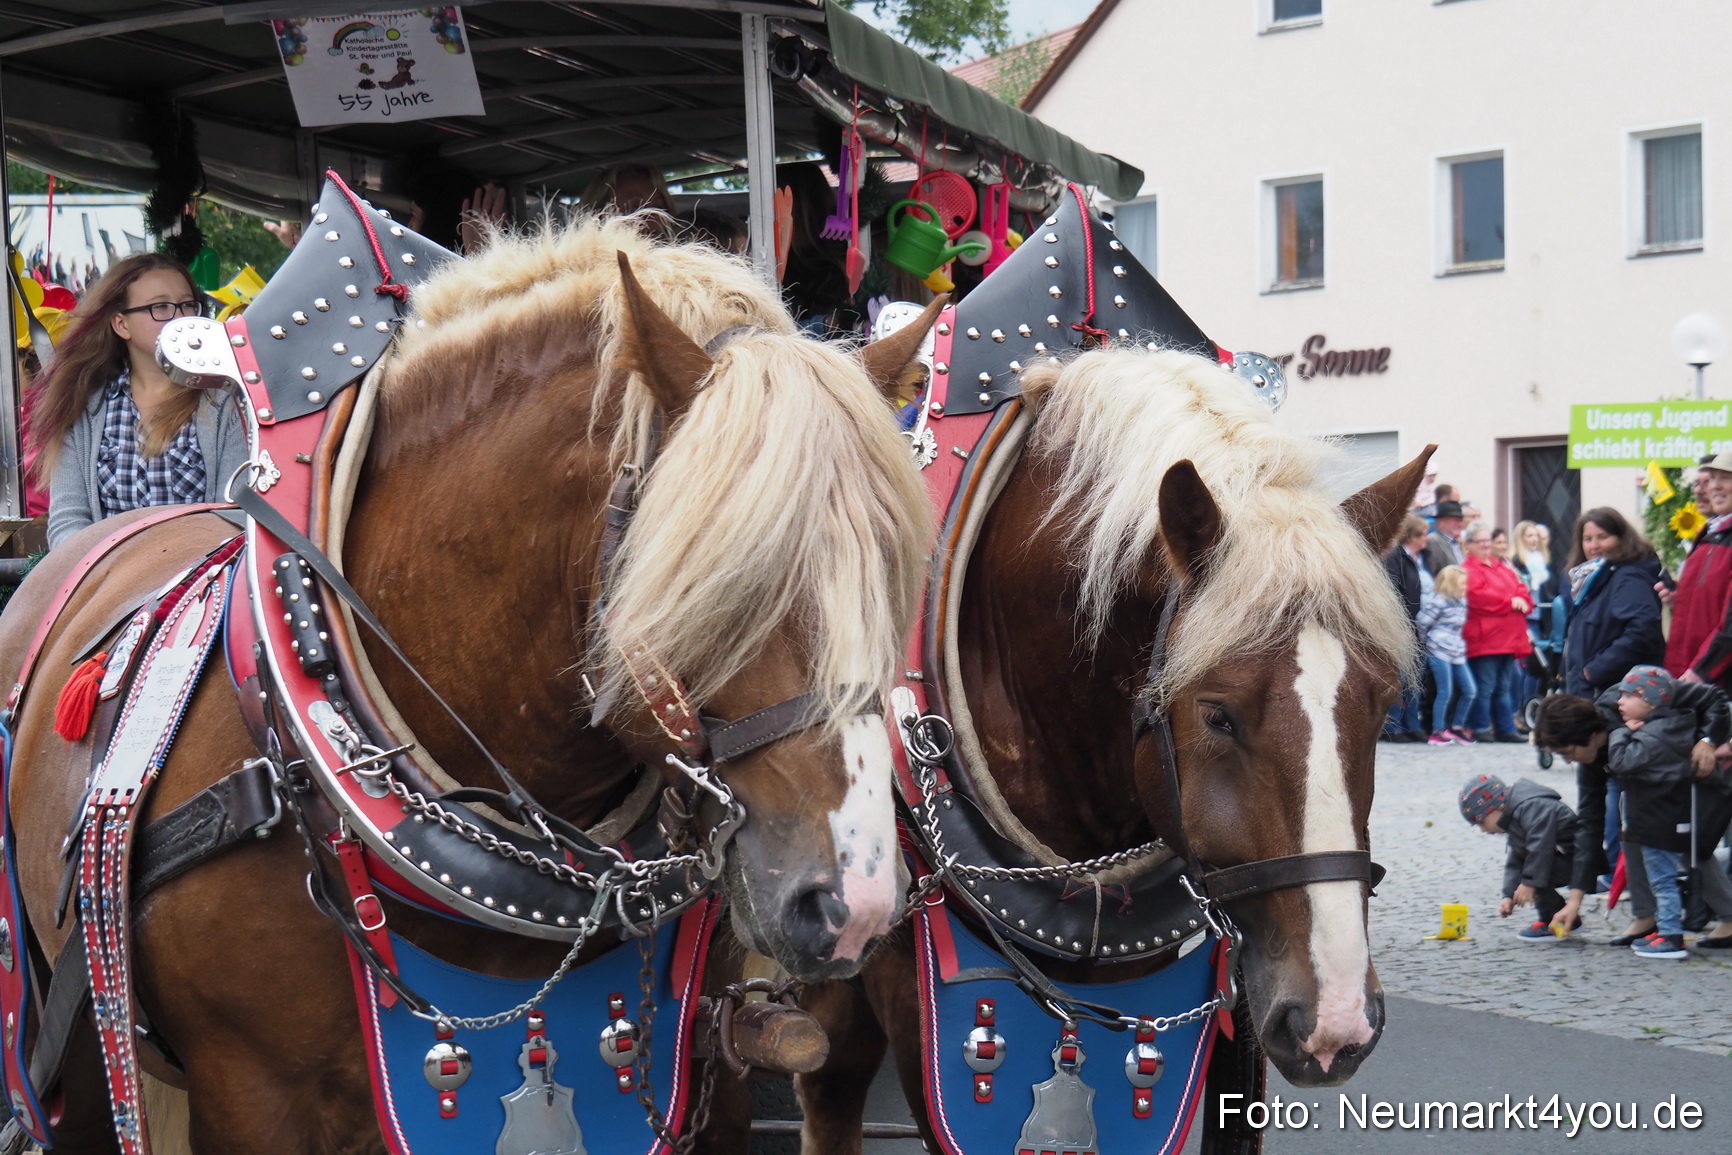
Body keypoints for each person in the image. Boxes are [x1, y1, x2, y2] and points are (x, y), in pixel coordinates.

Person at [31, 254, 247, 549]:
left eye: (187, 305)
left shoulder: (226, 402)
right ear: (121, 324)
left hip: (203, 581)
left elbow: (236, 514)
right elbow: (69, 522)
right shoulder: (84, 406)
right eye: (160, 307)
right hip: (107, 581)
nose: (180, 317)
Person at [1602, 665, 1732, 958]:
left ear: (1648, 701)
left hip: (1656, 822)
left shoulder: (1652, 736)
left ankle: (1671, 936)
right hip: (1664, 818)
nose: (1619, 702)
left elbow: (1620, 765)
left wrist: (1620, 733)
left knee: (1662, 880)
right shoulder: (1671, 728)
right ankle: (1666, 930)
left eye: (1627, 696)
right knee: (1664, 878)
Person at [1458, 774, 1590, 942]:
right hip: (1562, 857)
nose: (1483, 830)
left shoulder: (1531, 807)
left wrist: (1529, 883)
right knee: (1531, 872)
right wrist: (1508, 894)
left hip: (1579, 860)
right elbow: (1516, 859)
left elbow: (1540, 848)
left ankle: (1557, 920)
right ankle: (1559, 917)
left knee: (1536, 873)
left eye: (1481, 822)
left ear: (1496, 807)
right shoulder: (1513, 816)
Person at [1560, 507, 1665, 698]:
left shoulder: (1628, 577)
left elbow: (1642, 631)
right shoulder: (1592, 580)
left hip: (1616, 694)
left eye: (1602, 537)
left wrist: (1594, 671)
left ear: (1621, 539)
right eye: (1588, 539)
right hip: (1592, 693)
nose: (1594, 546)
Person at [1661, 452, 1732, 686]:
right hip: (1693, 676)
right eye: (1713, 478)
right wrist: (1677, 599)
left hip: (1714, 680)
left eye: (1726, 478)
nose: (1716, 486)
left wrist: (1701, 671)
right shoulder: (1710, 535)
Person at [1462, 521, 1531, 741]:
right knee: (1486, 686)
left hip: (1509, 637)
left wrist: (1521, 599)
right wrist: (1510, 601)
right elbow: (1478, 596)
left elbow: (1521, 587)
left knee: (1503, 686)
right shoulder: (1468, 569)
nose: (1485, 544)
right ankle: (1481, 727)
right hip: (1486, 638)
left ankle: (1505, 728)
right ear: (1469, 545)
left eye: (1487, 540)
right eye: (1480, 541)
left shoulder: (1501, 566)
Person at [1382, 514, 1428, 741]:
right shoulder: (1395, 557)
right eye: (1423, 535)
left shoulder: (1410, 557)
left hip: (1412, 624)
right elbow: (1392, 592)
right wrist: (1400, 625)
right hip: (1400, 626)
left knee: (1412, 679)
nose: (1426, 540)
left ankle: (1412, 724)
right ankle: (1393, 727)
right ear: (1412, 536)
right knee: (1398, 679)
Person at [1417, 565, 1475, 744]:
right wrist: (1428, 642)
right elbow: (1421, 622)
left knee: (1470, 690)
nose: (1465, 587)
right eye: (1462, 584)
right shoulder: (1439, 601)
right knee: (1445, 691)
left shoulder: (1462, 601)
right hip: (1439, 649)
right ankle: (1438, 730)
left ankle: (1457, 726)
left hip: (1456, 649)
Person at [1422, 499, 1466, 575]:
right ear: (1440, 522)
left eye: (1460, 520)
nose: (1459, 524)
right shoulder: (1433, 541)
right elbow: (1432, 572)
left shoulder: (1457, 543)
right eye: (1455, 520)